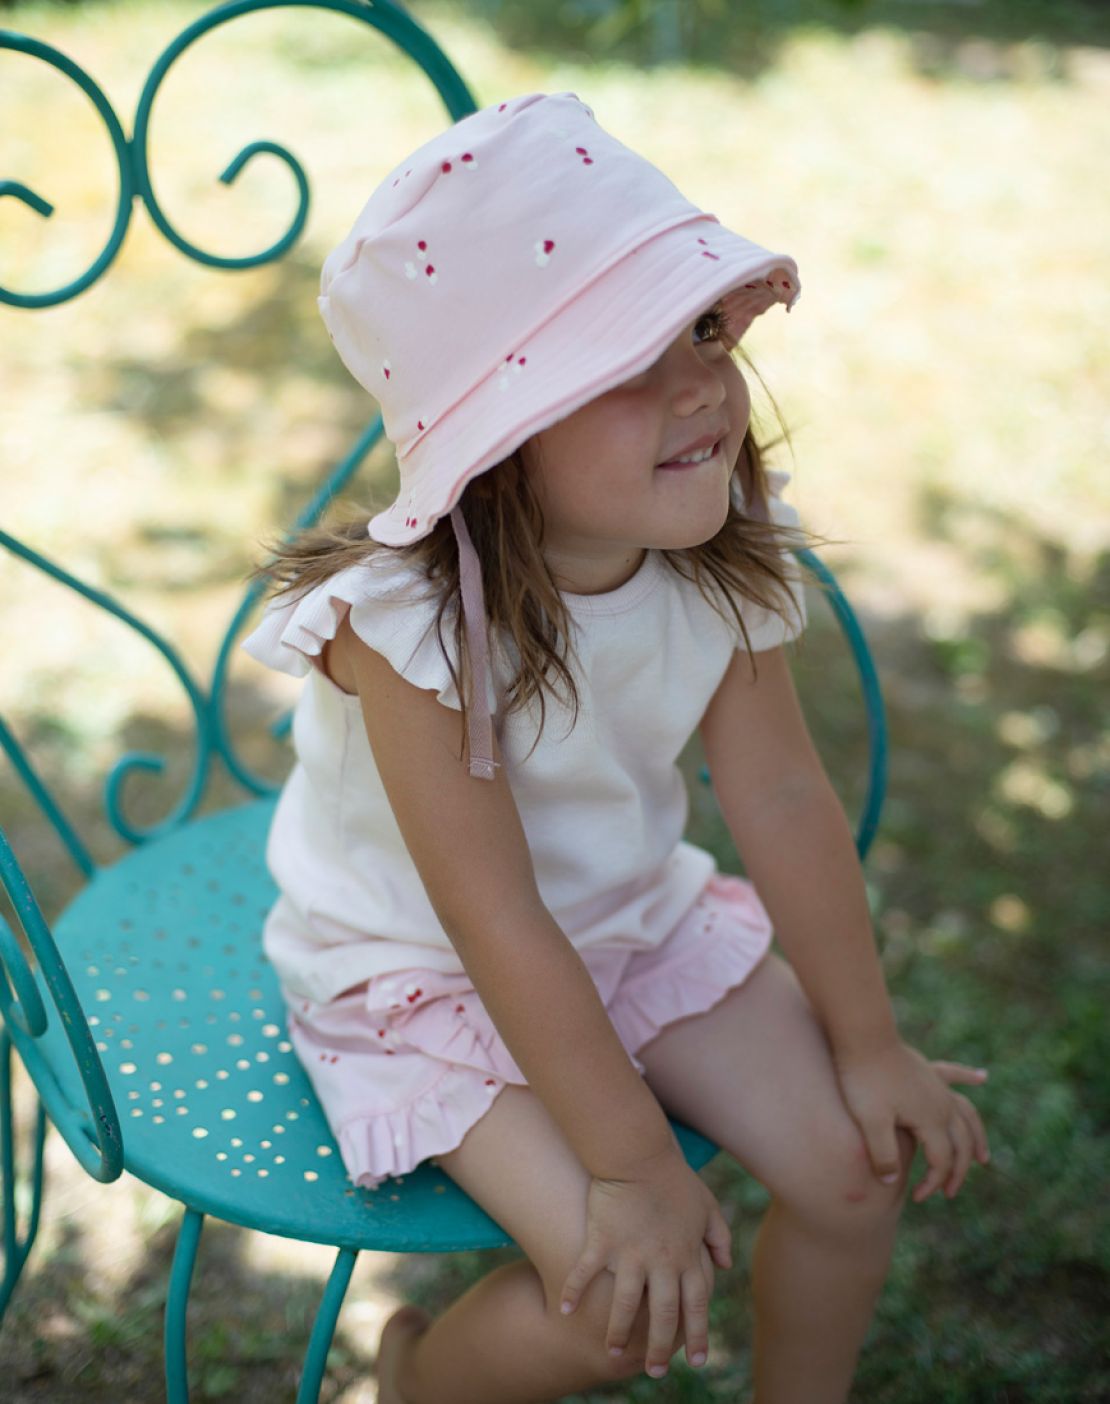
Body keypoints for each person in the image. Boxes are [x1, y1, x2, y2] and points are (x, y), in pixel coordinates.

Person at [241, 91, 991, 1404]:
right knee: (614, 1306)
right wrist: (632, 1166)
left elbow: (779, 795)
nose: (701, 383)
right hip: (425, 978)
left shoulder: (715, 552)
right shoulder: (413, 629)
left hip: (635, 922)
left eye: (699, 328)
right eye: (622, 363)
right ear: (496, 438)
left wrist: (867, 1042)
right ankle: (414, 1384)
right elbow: (491, 915)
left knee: (851, 1174)